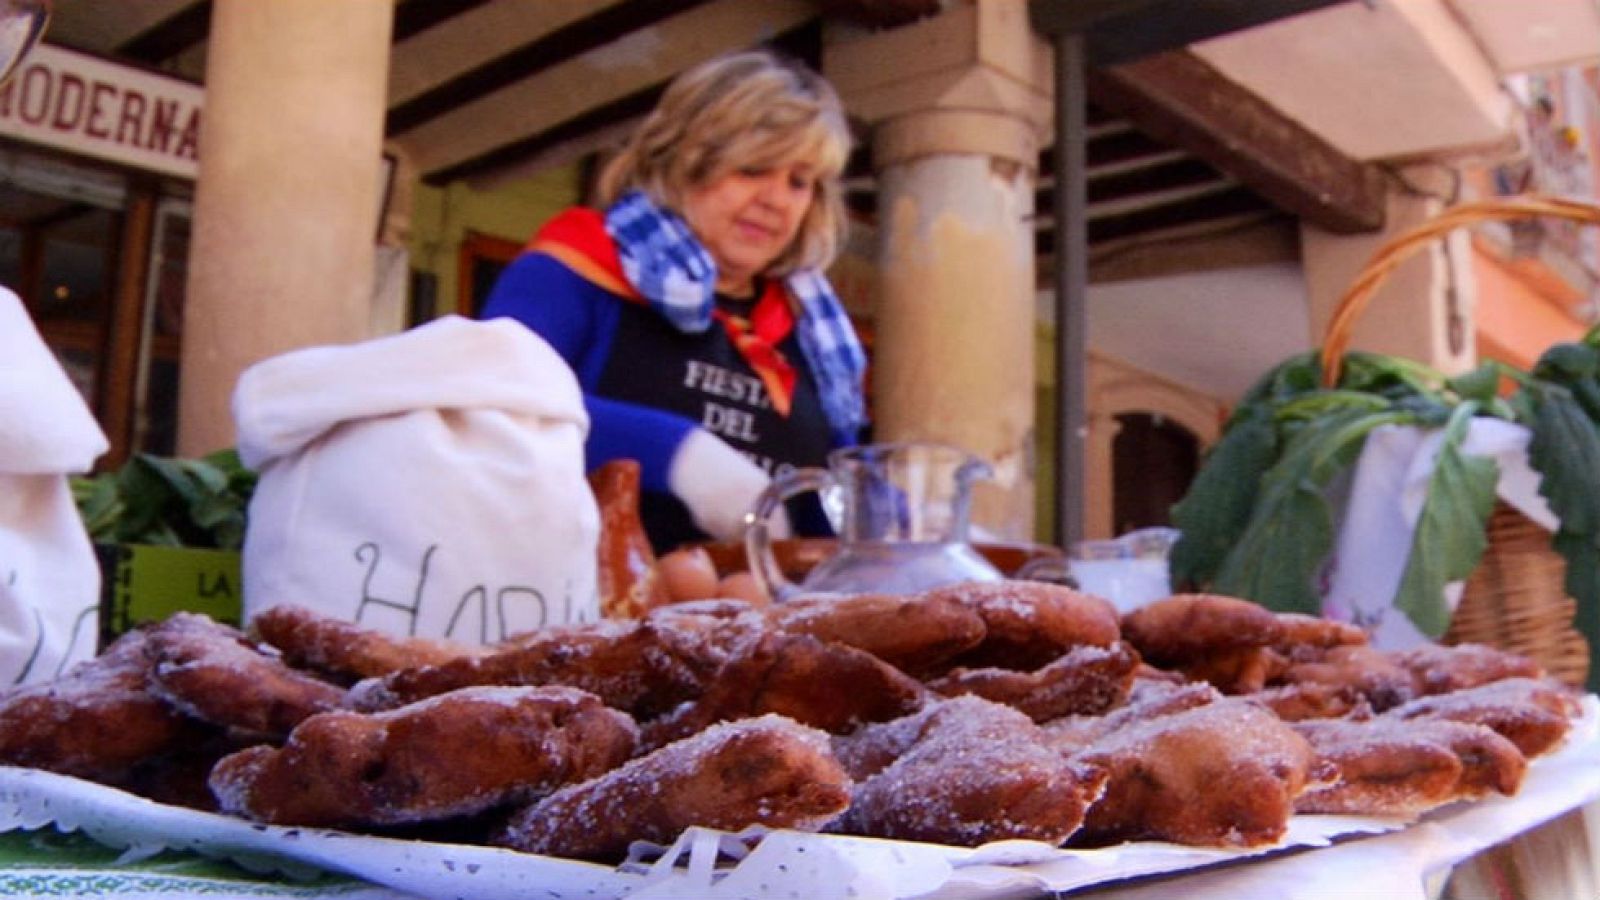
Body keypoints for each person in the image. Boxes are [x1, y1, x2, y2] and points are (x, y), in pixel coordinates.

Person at [480, 50, 867, 554]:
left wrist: (933, 527)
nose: (777, 199)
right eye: (753, 169)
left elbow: (838, 492)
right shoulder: (575, 266)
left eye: (799, 181)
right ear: (684, 159)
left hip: (769, 617)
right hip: (582, 601)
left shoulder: (814, 330)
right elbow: (491, 403)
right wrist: (680, 455)